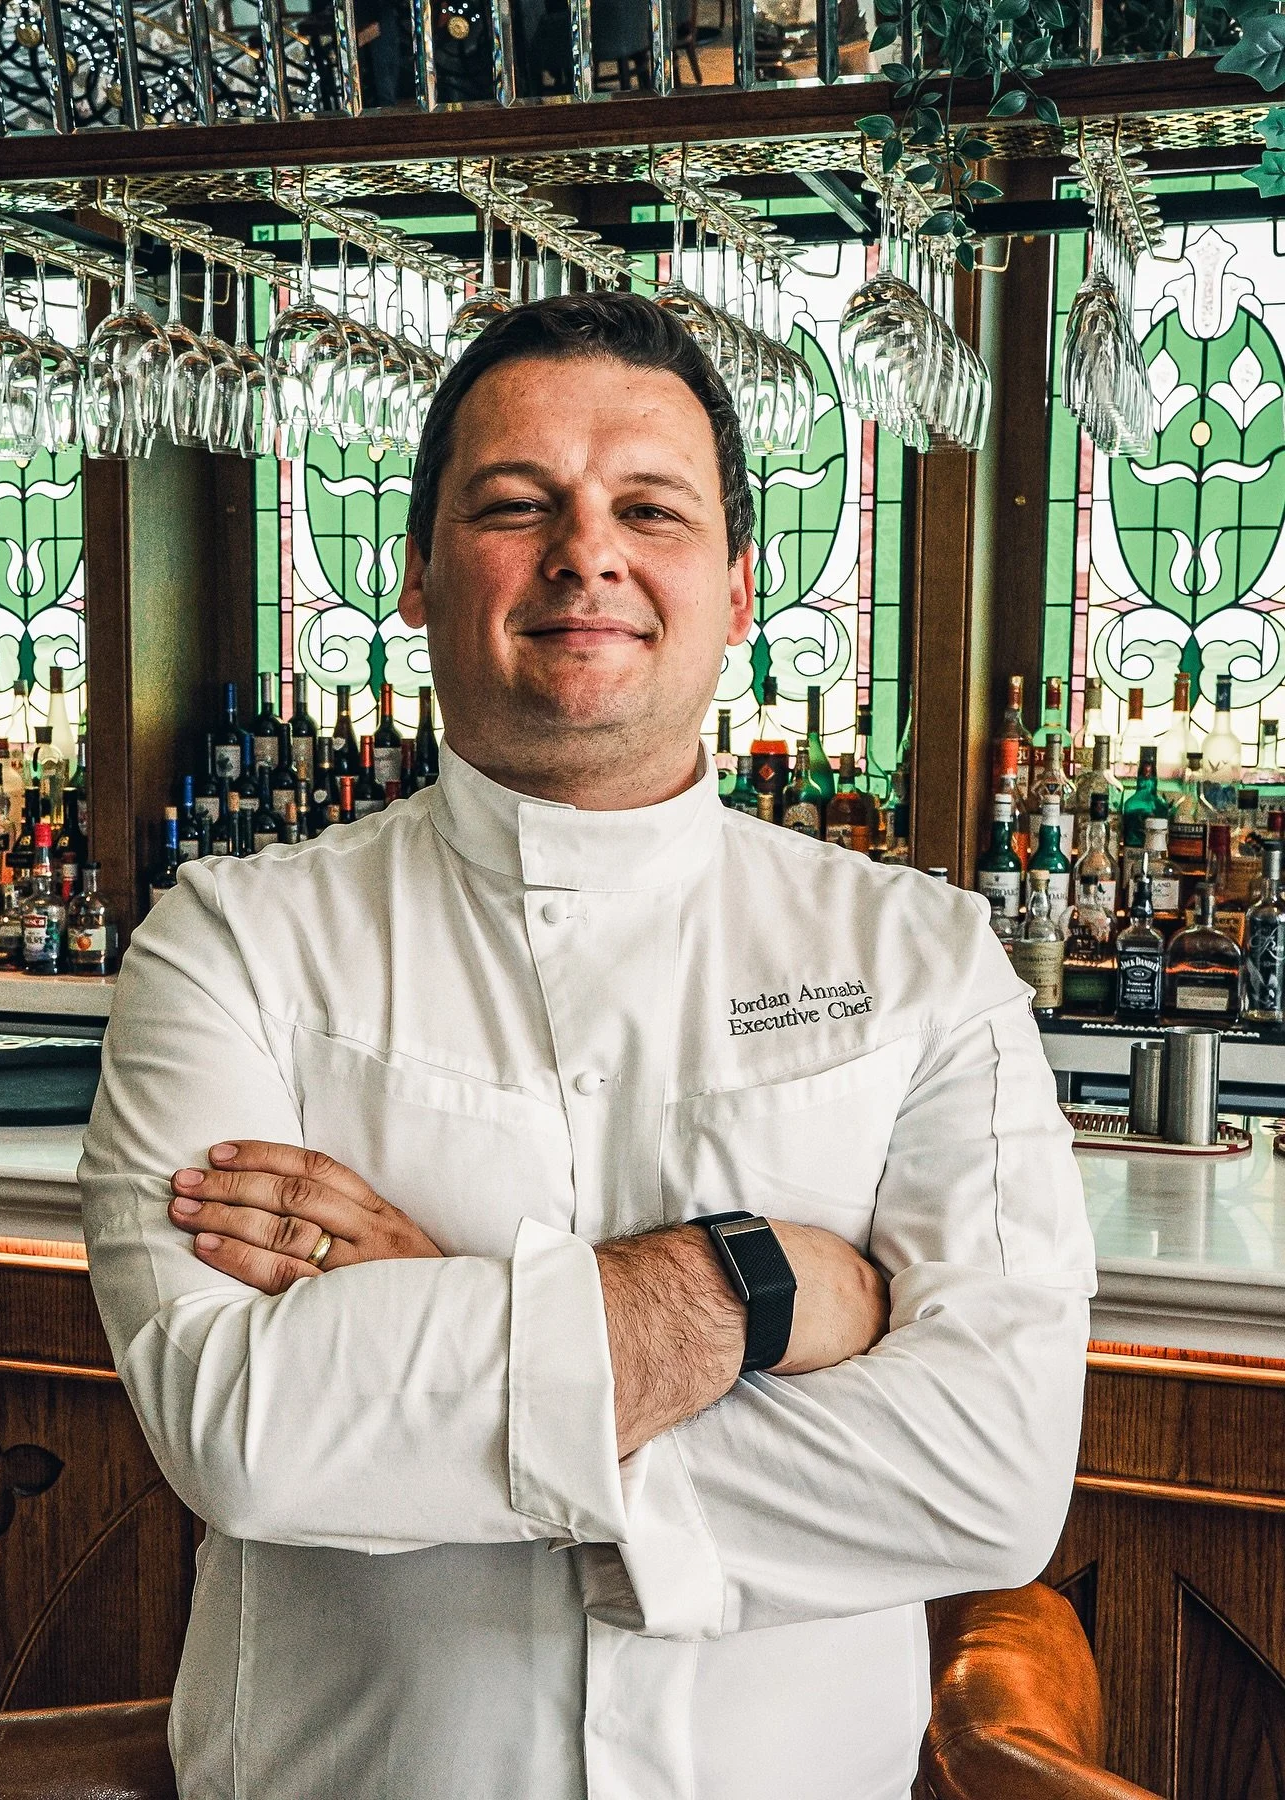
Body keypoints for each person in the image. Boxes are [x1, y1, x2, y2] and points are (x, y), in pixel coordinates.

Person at [80, 292, 1096, 1800]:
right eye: (515, 505)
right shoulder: (231, 944)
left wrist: (440, 1340)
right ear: (418, 575)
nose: (587, 555)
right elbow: (248, 1433)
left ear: (741, 589)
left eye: (649, 508)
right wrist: (750, 1294)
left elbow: (993, 1474)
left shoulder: (922, 959)